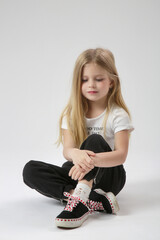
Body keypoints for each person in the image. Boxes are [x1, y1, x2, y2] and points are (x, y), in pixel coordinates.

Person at [23, 48, 134, 228]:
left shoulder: (118, 115)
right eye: (85, 79)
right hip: (79, 171)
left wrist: (89, 159)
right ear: (78, 82)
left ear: (111, 82)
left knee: (95, 140)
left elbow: (121, 155)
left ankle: (78, 204)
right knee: (30, 170)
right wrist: (76, 155)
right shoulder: (72, 114)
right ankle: (84, 197)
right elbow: (68, 150)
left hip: (109, 175)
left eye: (99, 79)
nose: (91, 84)